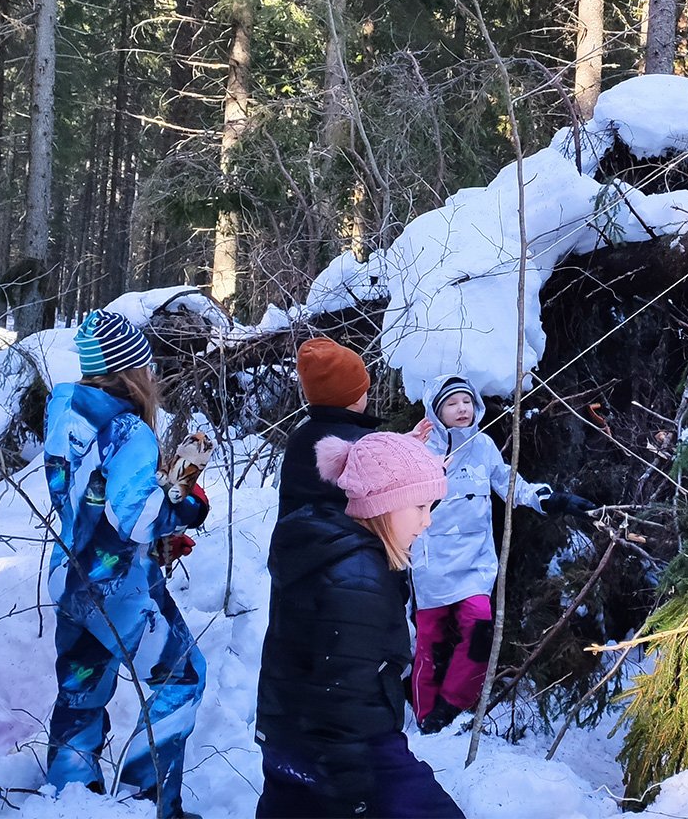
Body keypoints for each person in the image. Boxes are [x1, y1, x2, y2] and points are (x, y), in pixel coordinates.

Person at [42, 309, 212, 818]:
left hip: (68, 573)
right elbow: (136, 518)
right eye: (147, 366)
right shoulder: (127, 430)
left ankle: (68, 796)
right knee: (180, 676)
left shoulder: (66, 413)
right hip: (114, 587)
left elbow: (90, 504)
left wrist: (149, 546)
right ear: (131, 371)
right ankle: (148, 802)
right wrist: (184, 503)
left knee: (82, 688)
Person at [255, 432, 464, 819]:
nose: (428, 520)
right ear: (383, 505)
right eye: (419, 506)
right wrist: (352, 794)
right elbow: (337, 697)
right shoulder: (357, 581)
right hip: (347, 752)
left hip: (294, 738)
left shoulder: (337, 549)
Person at [410, 374, 596, 735]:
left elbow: (510, 484)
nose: (462, 409)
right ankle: (424, 714)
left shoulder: (482, 446)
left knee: (480, 628)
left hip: (475, 564)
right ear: (436, 411)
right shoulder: (420, 448)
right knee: (429, 642)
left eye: (466, 401)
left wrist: (551, 500)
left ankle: (450, 706)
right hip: (431, 564)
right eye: (452, 403)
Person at [277, 337, 383, 517]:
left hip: (294, 542)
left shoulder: (298, 438)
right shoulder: (365, 444)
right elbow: (403, 504)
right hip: (353, 544)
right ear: (357, 397)